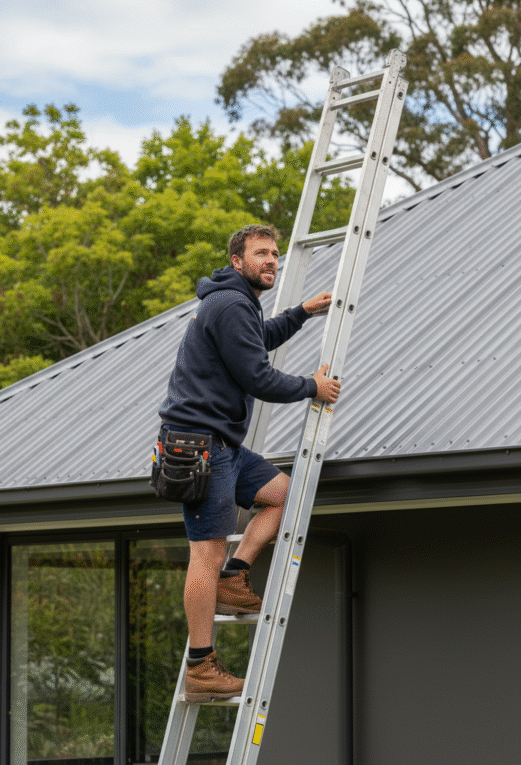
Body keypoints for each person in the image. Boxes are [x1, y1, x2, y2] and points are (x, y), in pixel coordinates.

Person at [157, 224, 342, 702]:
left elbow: (258, 339)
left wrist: (301, 312)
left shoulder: (238, 303)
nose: (272, 260)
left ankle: (234, 575)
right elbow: (258, 376)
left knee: (287, 494)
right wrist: (312, 387)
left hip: (222, 446)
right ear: (237, 261)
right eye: (262, 253)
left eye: (275, 253)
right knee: (205, 553)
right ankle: (201, 666)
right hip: (198, 447)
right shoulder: (230, 304)